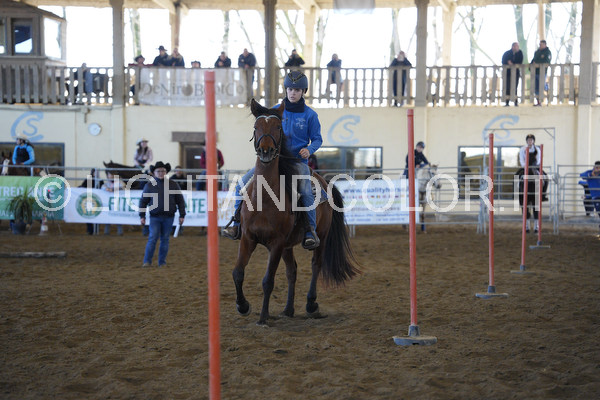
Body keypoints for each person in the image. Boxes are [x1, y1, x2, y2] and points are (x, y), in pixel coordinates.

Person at [223, 70, 323, 250]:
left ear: (303, 92)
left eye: (297, 90)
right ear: (286, 90)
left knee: (306, 192)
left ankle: (310, 231)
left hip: (297, 162)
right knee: (240, 185)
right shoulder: (275, 111)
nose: (293, 93)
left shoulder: (310, 115)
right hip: (272, 162)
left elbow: (317, 139)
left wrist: (309, 149)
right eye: (290, 89)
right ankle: (236, 224)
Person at [139, 161, 186, 267]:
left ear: (166, 172)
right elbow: (143, 202)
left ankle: (161, 262)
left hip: (169, 217)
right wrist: (142, 216)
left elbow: (180, 201)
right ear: (154, 172)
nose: (161, 173)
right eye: (158, 171)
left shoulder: (173, 184)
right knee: (153, 238)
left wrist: (182, 214)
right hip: (155, 217)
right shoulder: (149, 185)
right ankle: (147, 261)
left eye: (163, 171)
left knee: (164, 239)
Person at [501, 42, 524, 106]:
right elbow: (503, 61)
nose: (517, 48)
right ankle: (507, 102)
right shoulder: (507, 53)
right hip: (507, 73)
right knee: (507, 87)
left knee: (515, 87)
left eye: (518, 46)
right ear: (513, 47)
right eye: (516, 46)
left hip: (516, 73)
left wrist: (512, 63)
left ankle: (515, 102)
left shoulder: (520, 53)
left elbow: (520, 62)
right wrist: (508, 63)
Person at [102, 171, 124, 236]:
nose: (111, 176)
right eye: (109, 175)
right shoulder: (106, 184)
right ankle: (106, 231)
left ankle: (120, 232)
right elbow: (103, 187)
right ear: (107, 176)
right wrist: (107, 189)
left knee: (118, 216)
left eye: (112, 175)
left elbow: (123, 187)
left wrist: (113, 189)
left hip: (118, 202)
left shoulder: (119, 182)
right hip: (108, 203)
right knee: (108, 216)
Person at [531, 40, 552, 106]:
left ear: (545, 45)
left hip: (542, 72)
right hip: (535, 72)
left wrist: (537, 63)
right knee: (536, 87)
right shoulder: (537, 52)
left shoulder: (547, 52)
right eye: (540, 44)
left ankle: (547, 89)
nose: (540, 46)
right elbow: (533, 60)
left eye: (542, 44)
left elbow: (547, 61)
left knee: (542, 86)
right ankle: (538, 102)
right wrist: (531, 65)